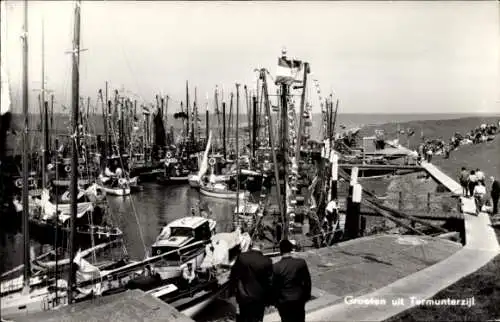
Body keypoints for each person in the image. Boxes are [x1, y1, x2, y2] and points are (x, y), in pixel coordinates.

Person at [229, 242, 273, 322]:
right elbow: (269, 282)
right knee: (257, 319)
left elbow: (234, 276)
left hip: (243, 297)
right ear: (262, 247)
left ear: (251, 246)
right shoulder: (267, 261)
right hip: (259, 299)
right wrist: (269, 300)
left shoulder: (242, 257)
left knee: (244, 318)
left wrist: (231, 293)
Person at [272, 239, 311, 322]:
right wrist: (306, 296)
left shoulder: (275, 267)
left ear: (280, 250)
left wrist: (276, 302)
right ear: (291, 249)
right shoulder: (300, 263)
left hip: (284, 302)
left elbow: (274, 287)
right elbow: (307, 282)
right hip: (298, 299)